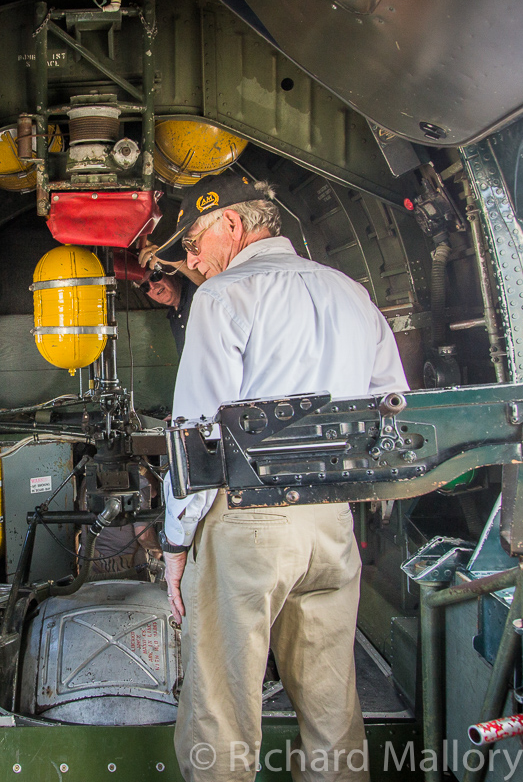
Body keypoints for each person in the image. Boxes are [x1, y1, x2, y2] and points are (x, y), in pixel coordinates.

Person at [154, 173, 408, 782]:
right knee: (330, 705)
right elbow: (392, 406)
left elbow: (198, 436)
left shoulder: (222, 299)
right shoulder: (352, 292)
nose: (191, 260)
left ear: (232, 226)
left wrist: (175, 543)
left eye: (193, 241)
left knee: (220, 706)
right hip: (331, 526)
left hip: (250, 523)